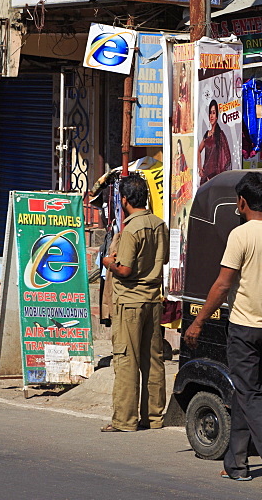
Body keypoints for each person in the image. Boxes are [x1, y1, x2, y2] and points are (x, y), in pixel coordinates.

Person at [184, 172, 262, 492]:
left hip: (242, 328)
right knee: (245, 390)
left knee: (250, 394)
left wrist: (198, 322)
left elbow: (223, 284)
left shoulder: (240, 235)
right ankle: (236, 463)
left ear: (242, 202)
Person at [100, 172, 170, 433]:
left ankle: (125, 420)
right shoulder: (159, 224)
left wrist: (109, 262)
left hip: (130, 302)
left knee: (126, 359)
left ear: (125, 200)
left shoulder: (132, 229)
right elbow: (161, 260)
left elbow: (125, 269)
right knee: (153, 359)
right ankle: (153, 416)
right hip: (153, 299)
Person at [197, 99, 232, 184]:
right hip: (206, 175)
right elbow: (198, 150)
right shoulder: (207, 134)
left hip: (216, 176)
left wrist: (219, 172)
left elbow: (228, 158)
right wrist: (200, 168)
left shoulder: (220, 135)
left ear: (217, 116)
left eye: (214, 113)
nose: (211, 116)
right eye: (210, 113)